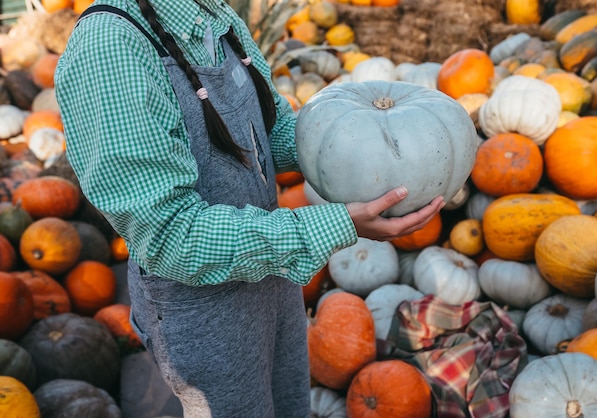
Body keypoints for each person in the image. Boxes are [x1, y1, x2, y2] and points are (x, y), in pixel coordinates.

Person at [54, 0, 446, 416]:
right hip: (206, 314)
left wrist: (373, 150)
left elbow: (270, 133)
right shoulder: (110, 48)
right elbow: (169, 234)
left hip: (273, 276)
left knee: (290, 405)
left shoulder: (211, 13)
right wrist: (335, 224)